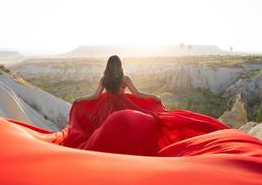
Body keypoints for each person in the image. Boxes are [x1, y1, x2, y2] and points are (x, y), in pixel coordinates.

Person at [61, 55, 229, 155]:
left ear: (107, 67)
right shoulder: (125, 79)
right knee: (135, 128)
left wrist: (79, 100)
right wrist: (154, 97)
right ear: (119, 66)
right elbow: (138, 95)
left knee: (105, 130)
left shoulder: (103, 79)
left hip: (105, 108)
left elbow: (94, 96)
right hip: (123, 105)